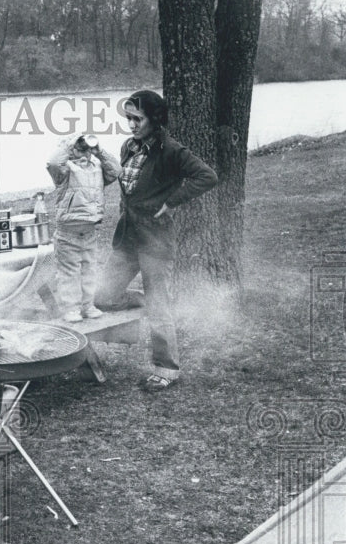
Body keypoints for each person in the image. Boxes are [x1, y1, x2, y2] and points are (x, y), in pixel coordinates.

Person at [94, 89, 218, 392]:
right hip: (127, 237)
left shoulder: (171, 150)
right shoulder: (128, 147)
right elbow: (128, 185)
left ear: (155, 118)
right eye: (128, 118)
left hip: (155, 240)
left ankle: (166, 369)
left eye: (138, 118)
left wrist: (172, 201)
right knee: (103, 298)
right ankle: (146, 298)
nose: (132, 124)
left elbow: (207, 176)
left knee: (159, 309)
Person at [45, 133, 121, 323]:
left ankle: (87, 305)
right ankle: (71, 309)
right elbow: (53, 163)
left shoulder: (96, 167)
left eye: (87, 150)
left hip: (89, 230)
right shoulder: (64, 171)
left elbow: (116, 170)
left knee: (89, 270)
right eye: (80, 150)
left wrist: (99, 151)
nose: (84, 154)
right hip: (67, 232)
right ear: (70, 151)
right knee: (69, 272)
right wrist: (70, 145)